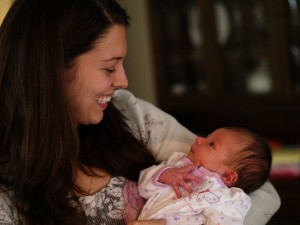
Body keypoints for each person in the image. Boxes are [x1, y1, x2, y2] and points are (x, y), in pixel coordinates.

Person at [0, 0, 280, 225]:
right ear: (50, 68)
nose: (123, 81)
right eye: (109, 67)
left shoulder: (127, 113)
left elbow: (261, 191)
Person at [138, 127, 272, 224]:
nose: (198, 139)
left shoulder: (226, 198)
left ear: (227, 176)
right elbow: (143, 189)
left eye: (211, 144)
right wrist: (164, 175)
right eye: (207, 136)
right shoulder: (177, 163)